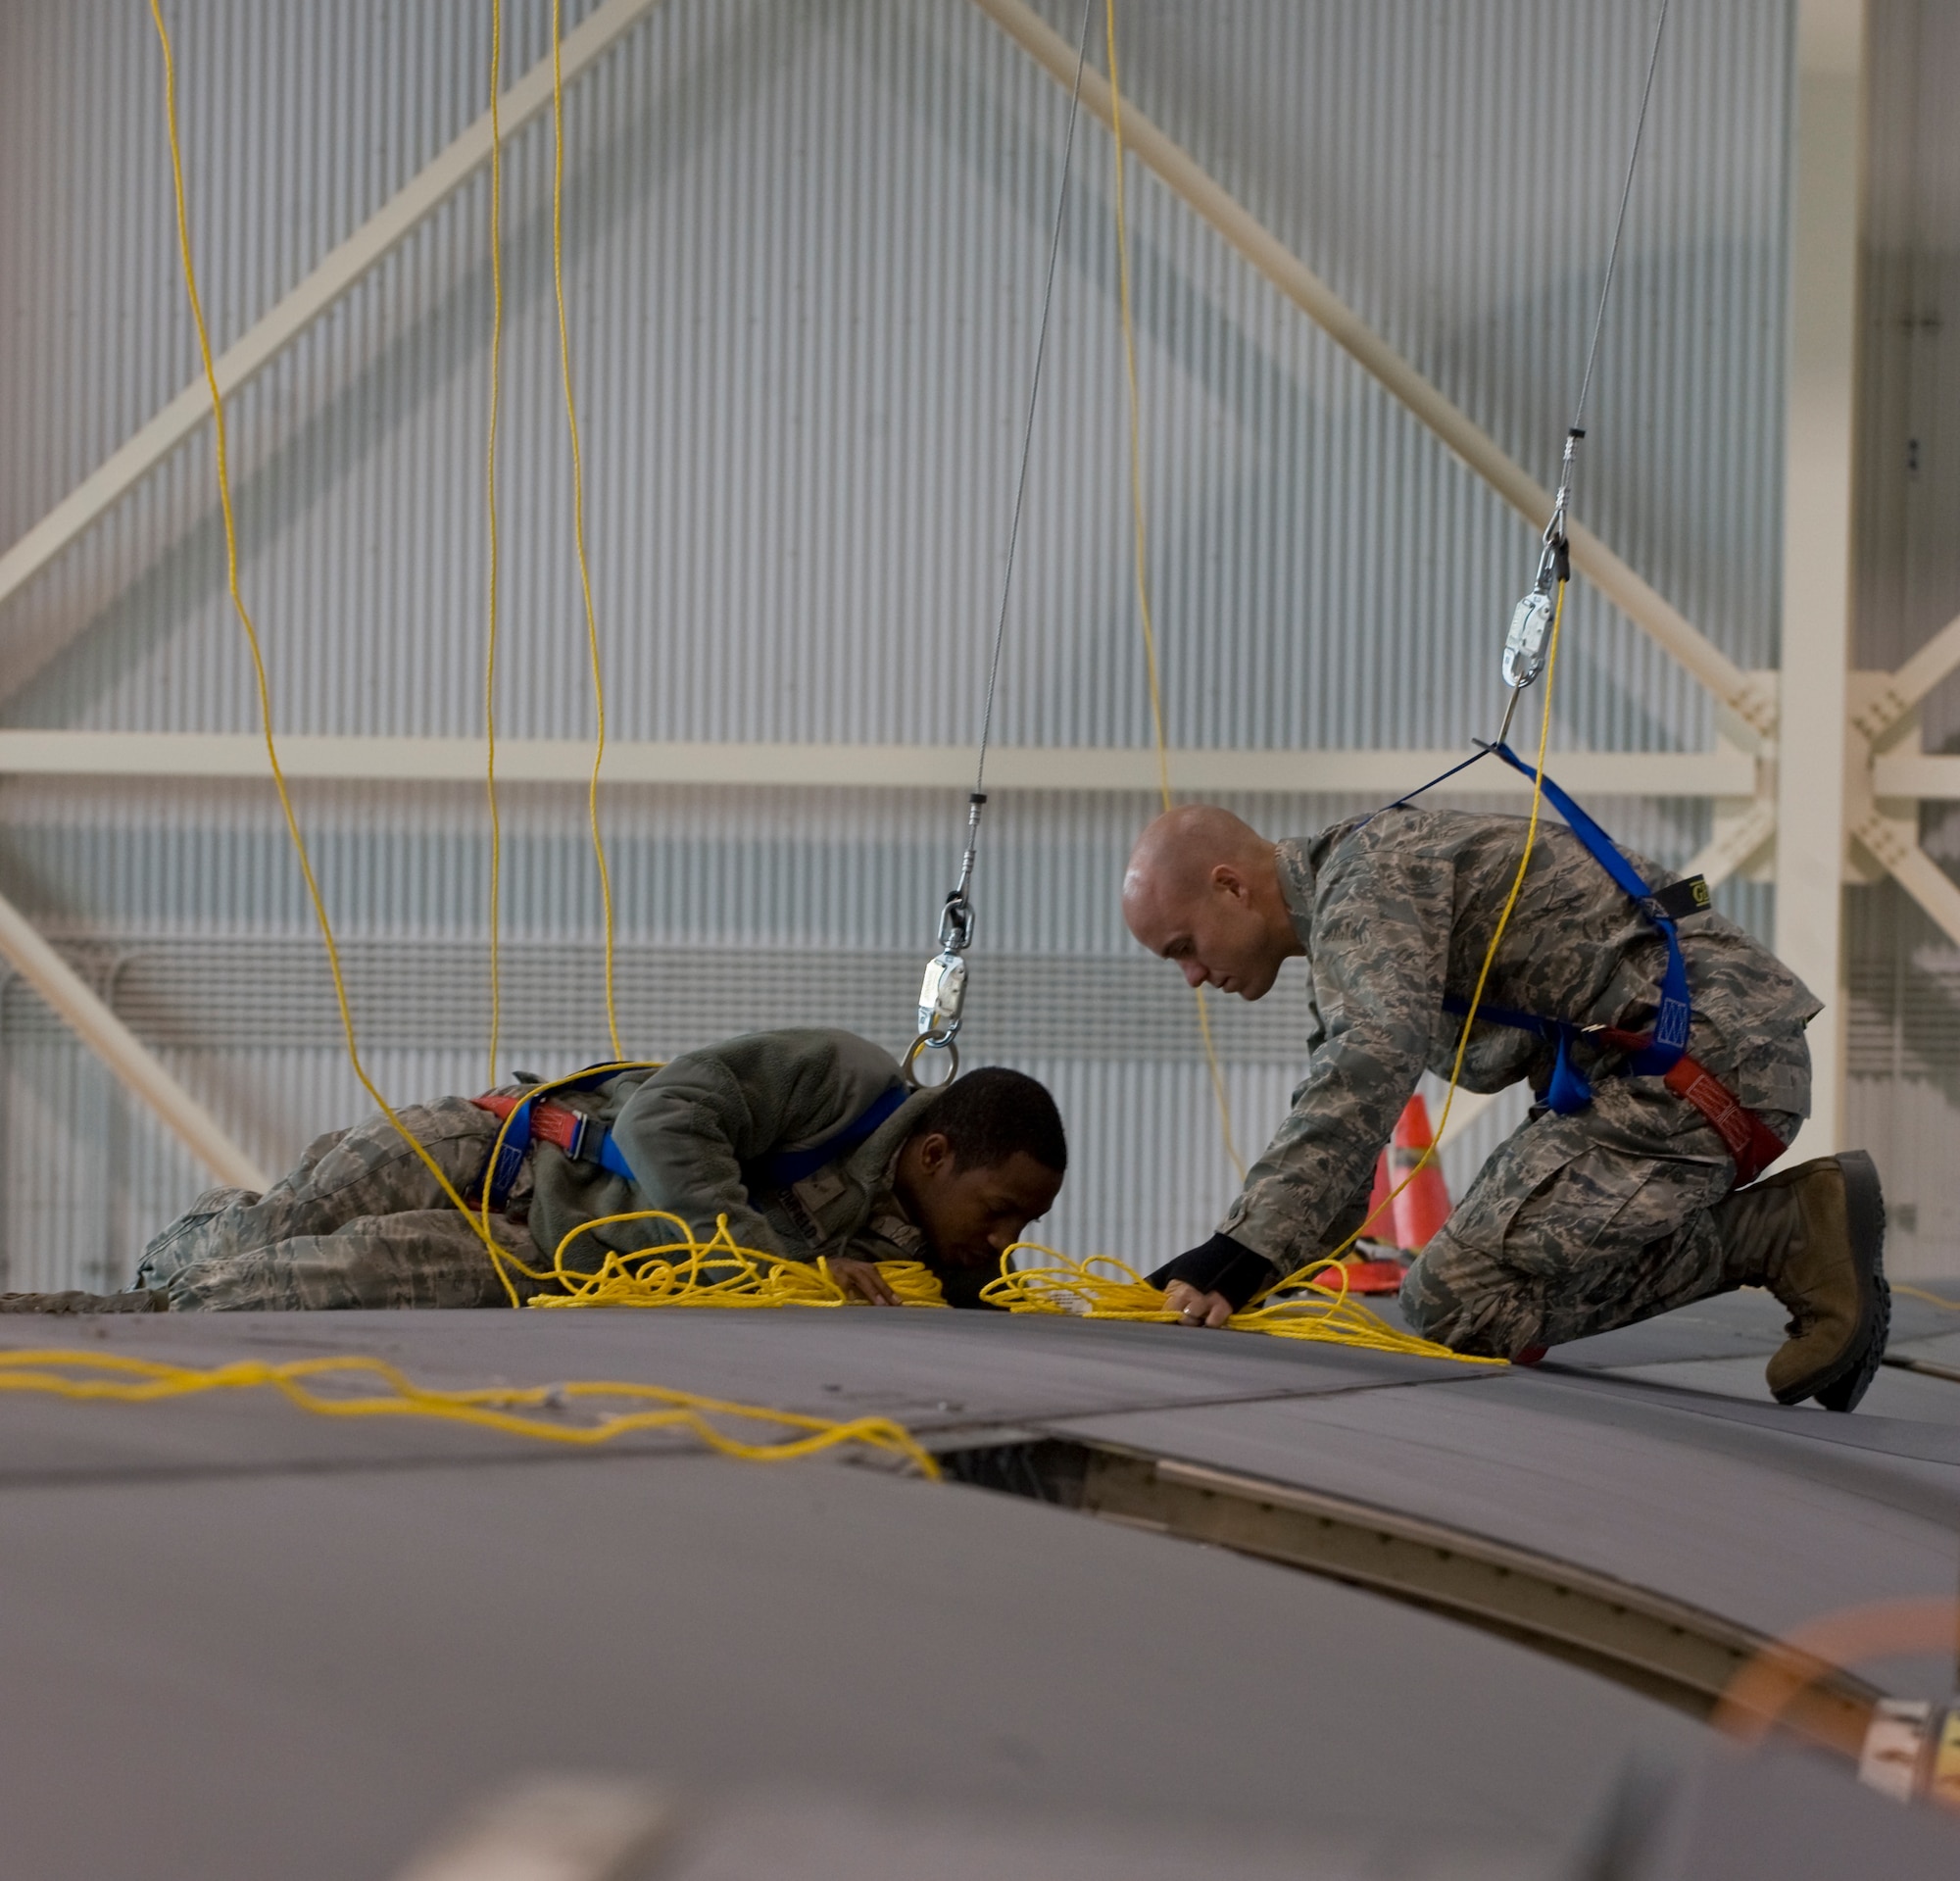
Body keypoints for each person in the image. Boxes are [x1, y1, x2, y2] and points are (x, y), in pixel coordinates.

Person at [1121, 802, 1889, 1411]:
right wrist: (1249, 1274)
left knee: (1458, 1297)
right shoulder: (1351, 909)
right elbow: (1346, 1132)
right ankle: (1786, 1231)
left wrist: (1239, 1249)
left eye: (1182, 946)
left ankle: (1782, 1233)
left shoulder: (1365, 881)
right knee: (1466, 1298)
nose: (1192, 975)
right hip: (1668, 1066)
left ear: (1231, 885)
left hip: (1702, 1061)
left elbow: (1369, 1062)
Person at [1, 1029, 1065, 1313]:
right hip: (491, 1145)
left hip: (530, 1249)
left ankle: (129, 1313)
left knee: (271, 1293)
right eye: (1000, 1210)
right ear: (933, 1153)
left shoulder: (901, 1254)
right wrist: (759, 1249)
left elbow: (977, 1288)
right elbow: (663, 1116)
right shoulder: (841, 1079)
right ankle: (167, 1257)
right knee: (251, 1237)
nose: (1002, 1238)